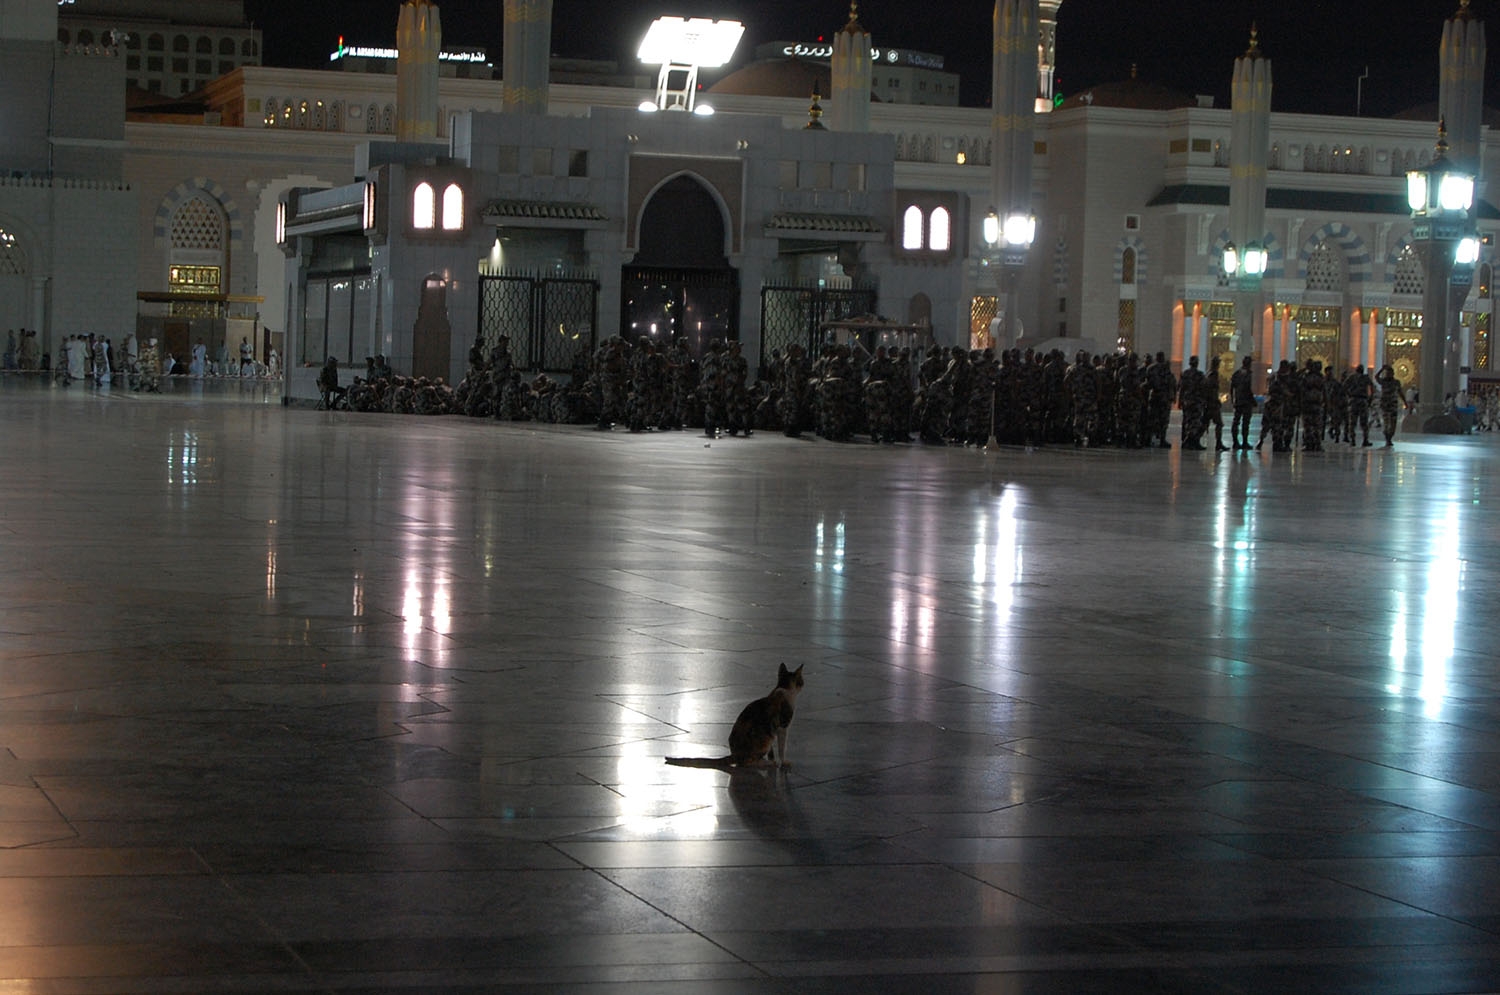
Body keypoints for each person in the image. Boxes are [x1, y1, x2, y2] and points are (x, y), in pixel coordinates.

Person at [1229, 355, 1256, 450]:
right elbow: (1247, 389)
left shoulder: (1236, 373)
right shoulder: (1247, 374)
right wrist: (1253, 400)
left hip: (1238, 401)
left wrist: (1233, 399)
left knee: (1236, 421)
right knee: (1245, 423)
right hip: (1246, 402)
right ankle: (1244, 442)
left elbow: (1231, 387)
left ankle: (1235, 441)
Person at [1375, 363, 1403, 447]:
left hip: (1393, 405)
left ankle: (1390, 437)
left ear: (1393, 374)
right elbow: (1376, 377)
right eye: (1387, 373)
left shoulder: (1396, 382)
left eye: (1390, 373)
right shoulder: (1383, 381)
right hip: (1385, 405)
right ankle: (1387, 439)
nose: (1388, 374)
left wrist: (1404, 401)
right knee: (1386, 422)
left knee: (1393, 423)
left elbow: (1400, 392)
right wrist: (1381, 369)